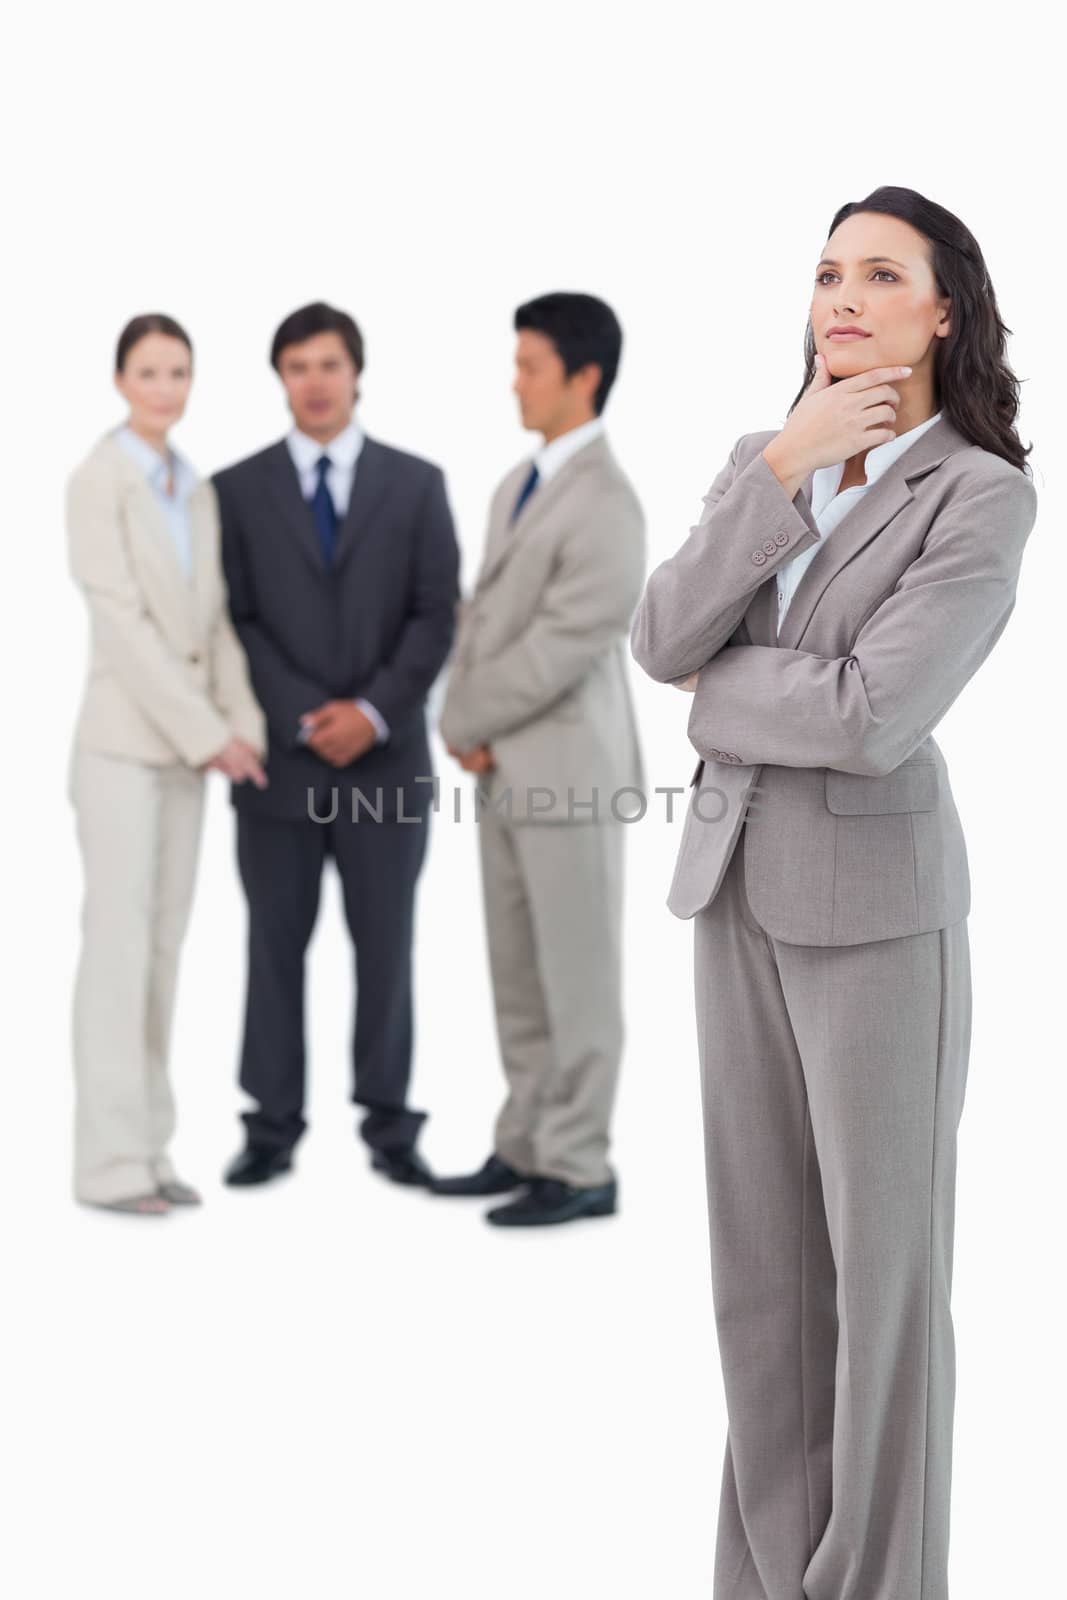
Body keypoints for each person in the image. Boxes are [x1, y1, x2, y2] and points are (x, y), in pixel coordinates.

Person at [630, 186, 1038, 1599]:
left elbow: (874, 714)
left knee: (881, 1293)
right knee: (762, 1288)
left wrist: (711, 692)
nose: (843, 297)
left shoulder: (978, 493)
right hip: (732, 889)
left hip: (873, 918)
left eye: (879, 273)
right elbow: (654, 632)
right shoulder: (767, 457)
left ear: (941, 311)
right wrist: (783, 468)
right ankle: (759, 1582)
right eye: (823, 274)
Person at [213, 302, 460, 1190]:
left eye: (328, 365)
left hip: (386, 766)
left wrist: (375, 711)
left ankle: (390, 1123)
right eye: (296, 367)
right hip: (278, 765)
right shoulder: (234, 490)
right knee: (273, 947)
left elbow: (437, 613)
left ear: (356, 374)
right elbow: (232, 617)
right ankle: (270, 1124)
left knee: (385, 945)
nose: (313, 382)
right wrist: (306, 714)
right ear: (280, 379)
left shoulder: (417, 482)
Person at [434, 292, 646, 1227]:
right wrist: (464, 717)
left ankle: (581, 1165)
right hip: (503, 771)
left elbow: (564, 642)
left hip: (569, 774)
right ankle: (524, 1144)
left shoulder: (607, 500)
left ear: (582, 376)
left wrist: (462, 713)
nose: (513, 381)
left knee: (577, 980)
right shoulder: (513, 485)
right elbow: (484, 620)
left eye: (529, 365)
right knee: (517, 974)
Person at [66, 313, 267, 1216]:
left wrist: (246, 726)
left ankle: (149, 1152)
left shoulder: (194, 486)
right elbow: (126, 628)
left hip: (187, 755)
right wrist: (207, 733)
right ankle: (108, 1165)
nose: (164, 388)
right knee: (117, 955)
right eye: (148, 372)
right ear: (120, 381)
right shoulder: (96, 480)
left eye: (178, 372)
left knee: (163, 951)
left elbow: (214, 619)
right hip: (123, 748)